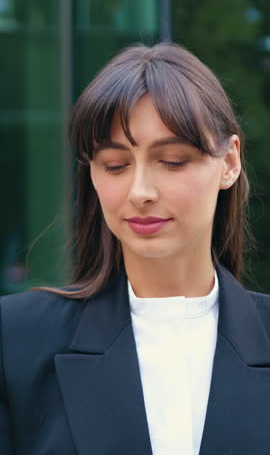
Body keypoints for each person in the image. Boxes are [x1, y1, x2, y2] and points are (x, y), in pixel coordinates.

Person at [1, 42, 270, 455]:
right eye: (115, 165)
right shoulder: (15, 341)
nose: (140, 192)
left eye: (174, 161)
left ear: (229, 162)